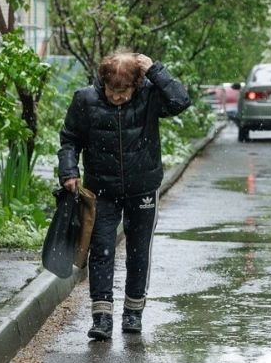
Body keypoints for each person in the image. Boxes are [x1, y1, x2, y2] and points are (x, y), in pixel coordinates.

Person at [58, 49, 191, 340]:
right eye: (112, 90)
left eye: (124, 91)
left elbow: (181, 101)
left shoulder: (149, 96)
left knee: (138, 250)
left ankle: (133, 313)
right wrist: (69, 172)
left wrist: (155, 69)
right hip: (101, 189)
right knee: (102, 249)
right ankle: (102, 317)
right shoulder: (85, 100)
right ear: (102, 82)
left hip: (143, 188)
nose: (117, 97)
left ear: (136, 84)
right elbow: (70, 139)